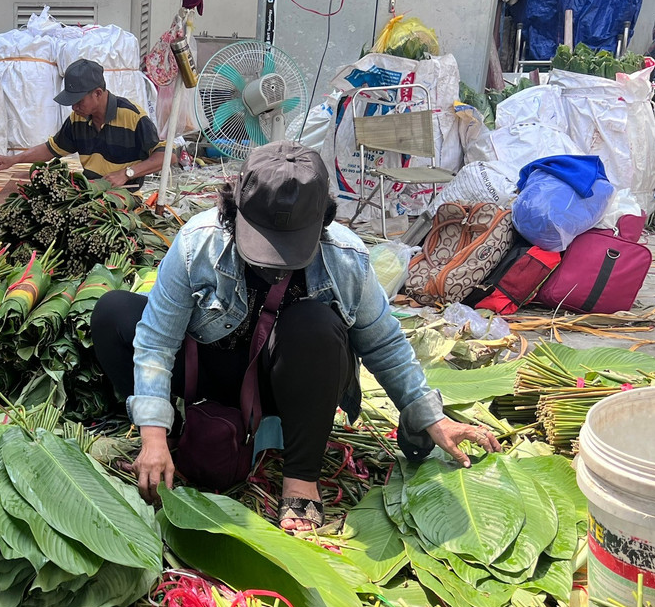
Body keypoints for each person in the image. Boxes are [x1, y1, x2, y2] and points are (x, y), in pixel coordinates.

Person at [92, 140, 501, 531]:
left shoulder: (346, 257)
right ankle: (179, 429)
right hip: (212, 368)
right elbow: (157, 340)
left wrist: (430, 416)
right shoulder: (197, 243)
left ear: (322, 221)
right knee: (114, 313)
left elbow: (384, 342)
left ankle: (301, 477)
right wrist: (152, 431)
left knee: (316, 325)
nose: (275, 263)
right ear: (233, 209)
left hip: (289, 383)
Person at [0, 58, 167, 189]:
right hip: (89, 188)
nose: (74, 107)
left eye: (78, 101)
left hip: (123, 193)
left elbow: (166, 156)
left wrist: (126, 173)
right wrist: (13, 159)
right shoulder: (78, 118)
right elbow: (51, 149)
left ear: (97, 93)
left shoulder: (132, 116)